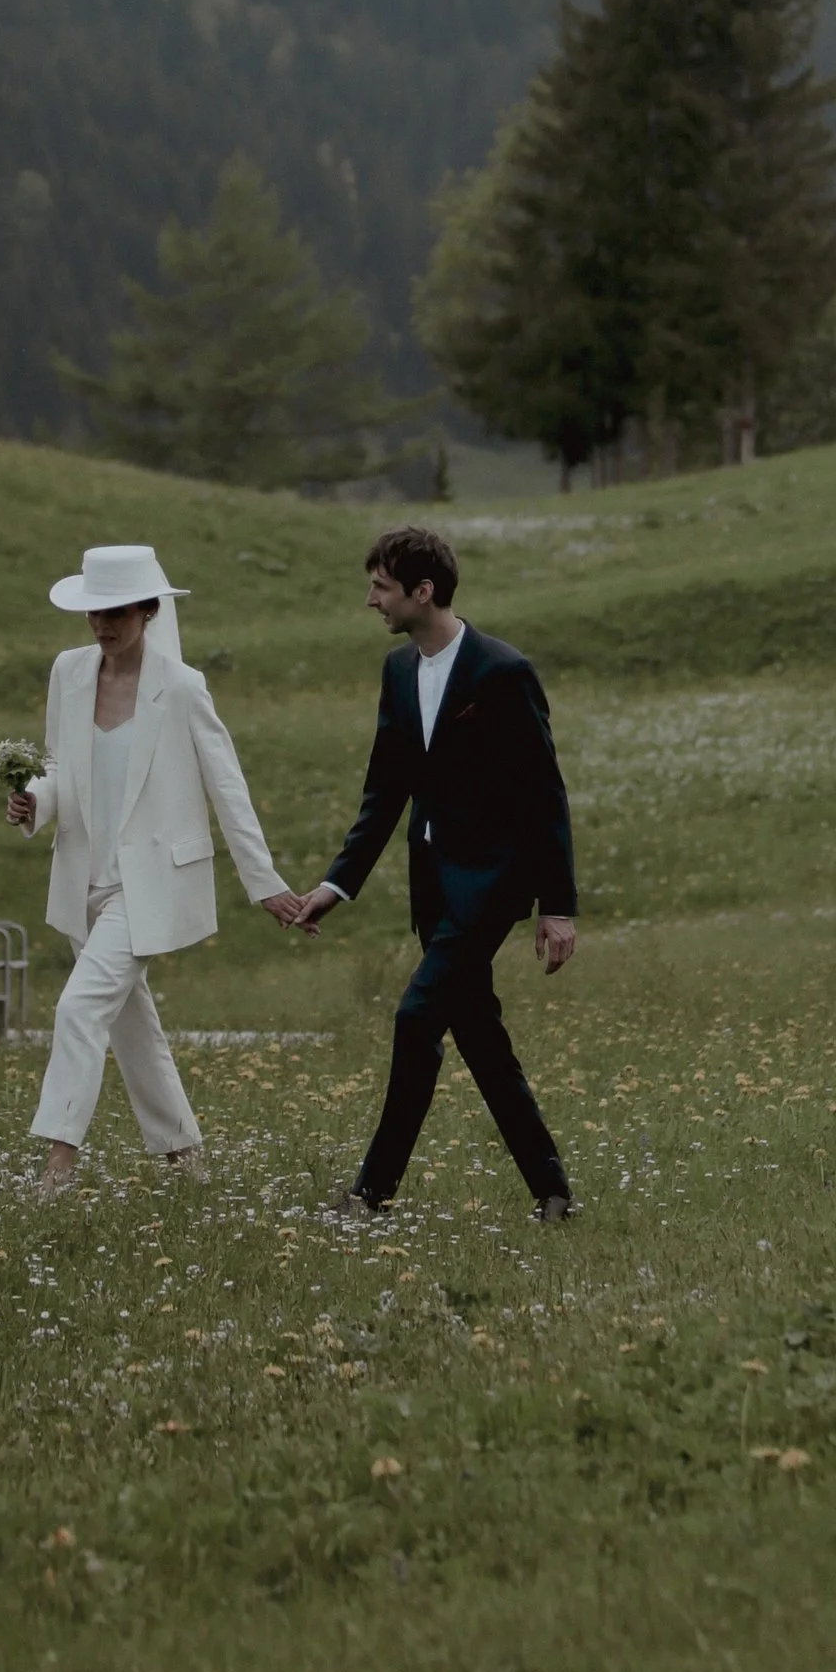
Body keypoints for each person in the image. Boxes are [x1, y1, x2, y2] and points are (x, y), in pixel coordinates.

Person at [297, 522, 577, 1223]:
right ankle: (553, 1191)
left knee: (416, 1018)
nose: (372, 601)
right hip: (433, 891)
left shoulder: (503, 672)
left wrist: (557, 905)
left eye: (382, 588)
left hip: (492, 887)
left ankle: (369, 1195)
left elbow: (546, 793)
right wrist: (336, 886)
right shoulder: (397, 672)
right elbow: (384, 793)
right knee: (479, 1035)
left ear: (424, 592)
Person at [8, 542, 301, 1197]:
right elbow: (58, 768)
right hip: (83, 879)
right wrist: (33, 799)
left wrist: (266, 884)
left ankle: (57, 1168)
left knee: (79, 1009)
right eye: (93, 613)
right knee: (134, 1030)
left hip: (147, 888)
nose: (102, 625)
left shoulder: (183, 687)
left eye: (115, 611)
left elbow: (228, 789)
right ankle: (186, 1163)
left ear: (146, 610)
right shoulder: (69, 673)